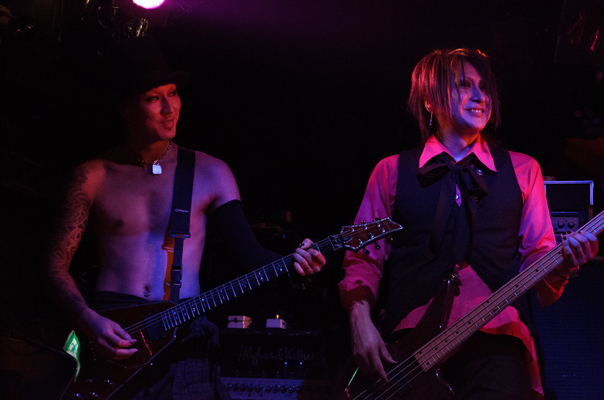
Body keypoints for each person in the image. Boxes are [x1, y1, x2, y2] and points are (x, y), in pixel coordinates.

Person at [44, 36, 325, 399]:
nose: (169, 108)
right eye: (153, 97)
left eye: (173, 93)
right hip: (113, 332)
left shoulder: (211, 172)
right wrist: (87, 320)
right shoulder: (92, 176)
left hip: (184, 334)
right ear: (125, 107)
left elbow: (251, 255)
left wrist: (294, 265)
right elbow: (54, 265)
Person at [338, 48, 599, 399]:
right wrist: (359, 320)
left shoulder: (524, 170)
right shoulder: (391, 170)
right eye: (464, 85)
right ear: (430, 100)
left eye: (484, 87)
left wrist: (564, 264)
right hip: (410, 348)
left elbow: (538, 259)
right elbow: (363, 258)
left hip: (498, 339)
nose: (480, 96)